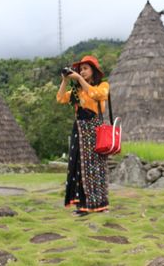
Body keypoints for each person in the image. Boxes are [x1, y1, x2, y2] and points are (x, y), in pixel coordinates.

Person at [57, 55, 110, 217]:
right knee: (79, 167)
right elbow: (60, 99)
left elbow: (96, 95)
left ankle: (99, 203)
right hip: (79, 130)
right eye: (81, 69)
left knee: (95, 167)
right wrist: (65, 80)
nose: (82, 71)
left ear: (93, 71)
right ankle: (83, 205)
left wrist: (79, 79)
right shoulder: (76, 90)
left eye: (86, 68)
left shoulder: (103, 85)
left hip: (94, 130)